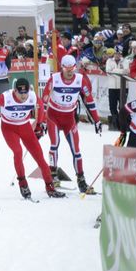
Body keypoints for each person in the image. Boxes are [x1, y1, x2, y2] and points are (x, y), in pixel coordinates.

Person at [0, 78, 65, 199]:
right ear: (15, 91)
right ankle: (23, 184)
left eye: (26, 92)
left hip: (25, 128)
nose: (24, 96)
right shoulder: (6, 97)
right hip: (9, 129)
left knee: (40, 157)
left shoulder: (32, 96)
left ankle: (50, 187)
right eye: (20, 93)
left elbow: (41, 107)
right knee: (18, 152)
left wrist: (40, 124)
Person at [41, 55, 102, 193]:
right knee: (54, 144)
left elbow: (89, 100)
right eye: (66, 69)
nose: (69, 72)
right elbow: (44, 100)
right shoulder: (55, 78)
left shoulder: (80, 80)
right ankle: (53, 176)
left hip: (69, 119)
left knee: (76, 150)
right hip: (53, 117)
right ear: (62, 67)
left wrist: (97, 120)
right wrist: (42, 121)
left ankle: (81, 180)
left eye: (72, 69)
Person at [105, 46, 129, 131]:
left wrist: (114, 70)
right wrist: (119, 71)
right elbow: (108, 71)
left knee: (122, 106)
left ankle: (122, 122)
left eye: (119, 53)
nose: (117, 55)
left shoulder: (125, 61)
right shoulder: (109, 61)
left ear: (121, 54)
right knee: (112, 106)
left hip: (123, 87)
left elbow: (126, 71)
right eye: (116, 53)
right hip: (112, 87)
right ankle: (115, 122)